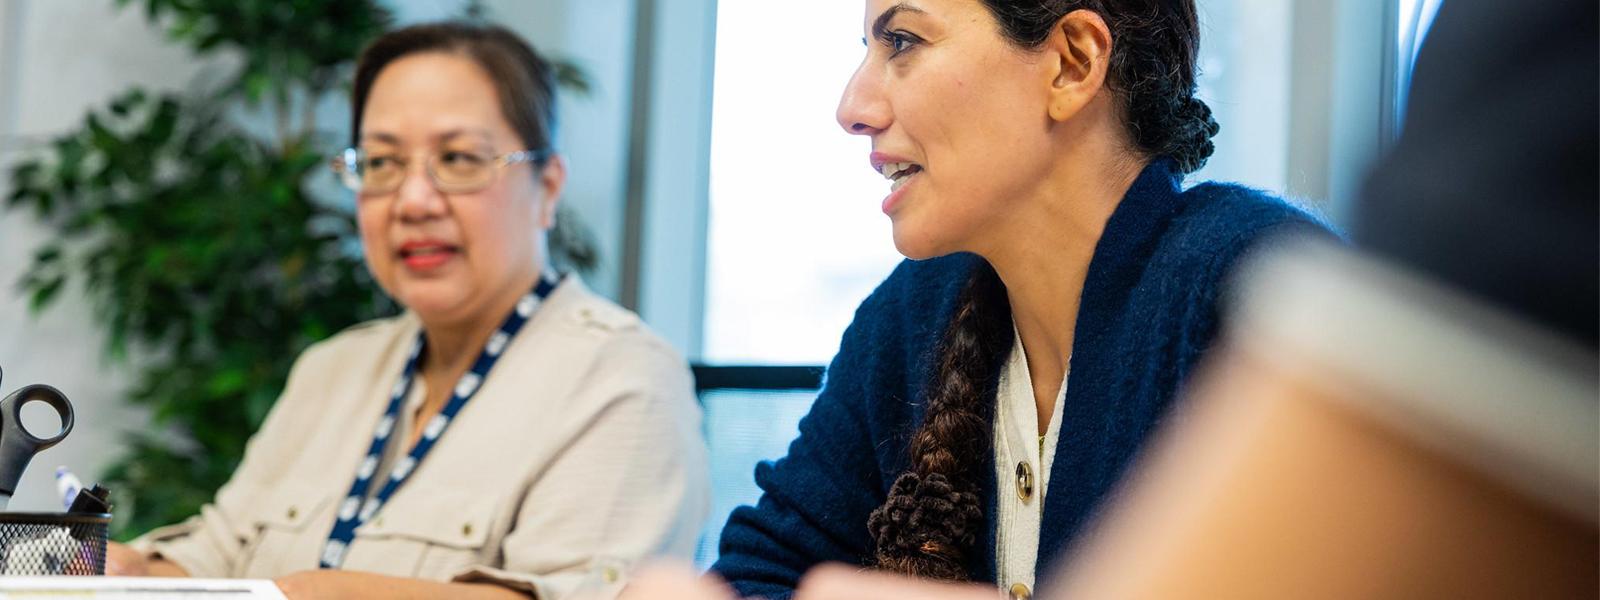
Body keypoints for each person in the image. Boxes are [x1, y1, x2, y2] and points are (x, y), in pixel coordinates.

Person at [662, 1, 1325, 598]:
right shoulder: (910, 317)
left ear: (1073, 61)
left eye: (902, 40)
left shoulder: (1262, 294)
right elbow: (762, 573)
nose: (852, 106)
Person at [106, 22, 709, 600]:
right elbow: (216, 558)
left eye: (458, 159)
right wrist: (133, 572)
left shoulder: (623, 381)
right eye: (382, 163)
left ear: (548, 187)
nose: (414, 201)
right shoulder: (332, 368)